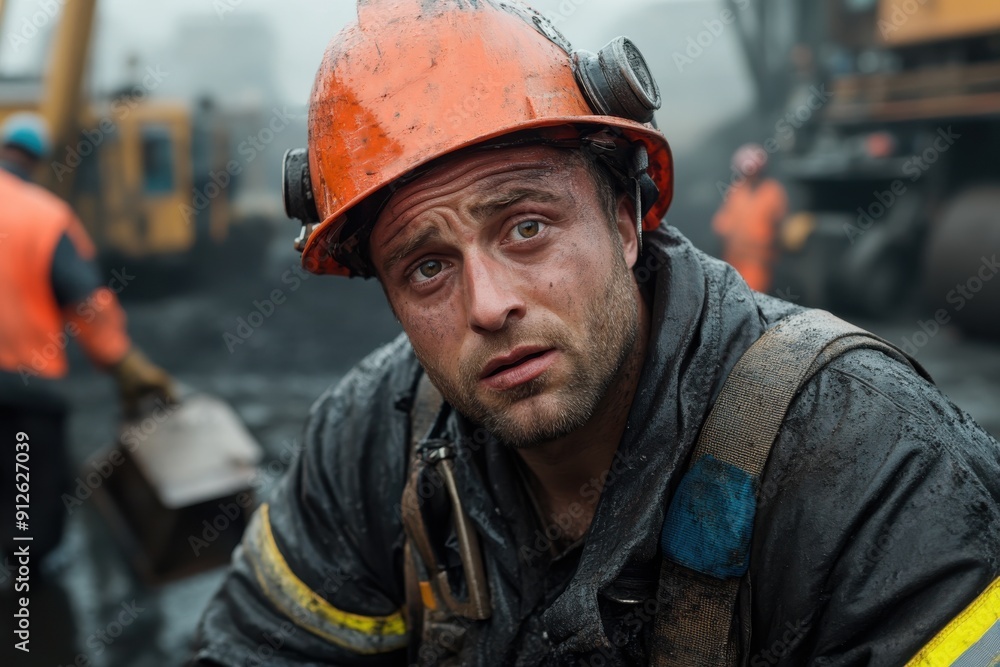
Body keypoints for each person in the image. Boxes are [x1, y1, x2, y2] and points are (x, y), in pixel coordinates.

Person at [193, 2, 1000, 666]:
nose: (489, 304)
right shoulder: (367, 441)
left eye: (527, 227)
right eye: (428, 267)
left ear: (624, 220)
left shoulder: (873, 465)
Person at [0, 112, 175, 566]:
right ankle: (27, 611)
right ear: (38, 160)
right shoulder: (45, 216)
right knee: (29, 517)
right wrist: (123, 362)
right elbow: (87, 305)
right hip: (23, 396)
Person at [712, 144, 788, 293]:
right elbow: (722, 226)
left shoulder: (772, 191)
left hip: (759, 262)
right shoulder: (736, 190)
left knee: (751, 296)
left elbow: (779, 226)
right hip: (732, 260)